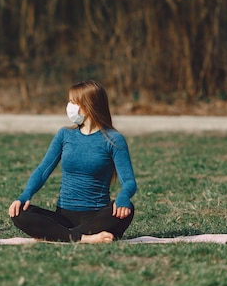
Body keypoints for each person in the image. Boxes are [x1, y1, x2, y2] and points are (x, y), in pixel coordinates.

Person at [8, 80, 137, 243]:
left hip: (97, 217)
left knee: (128, 209)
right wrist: (25, 195)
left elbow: (129, 181)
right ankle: (82, 238)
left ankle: (59, 235)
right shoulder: (64, 135)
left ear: (89, 105)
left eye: (73, 102)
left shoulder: (113, 140)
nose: (69, 107)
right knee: (19, 213)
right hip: (63, 216)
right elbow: (42, 171)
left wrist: (124, 196)